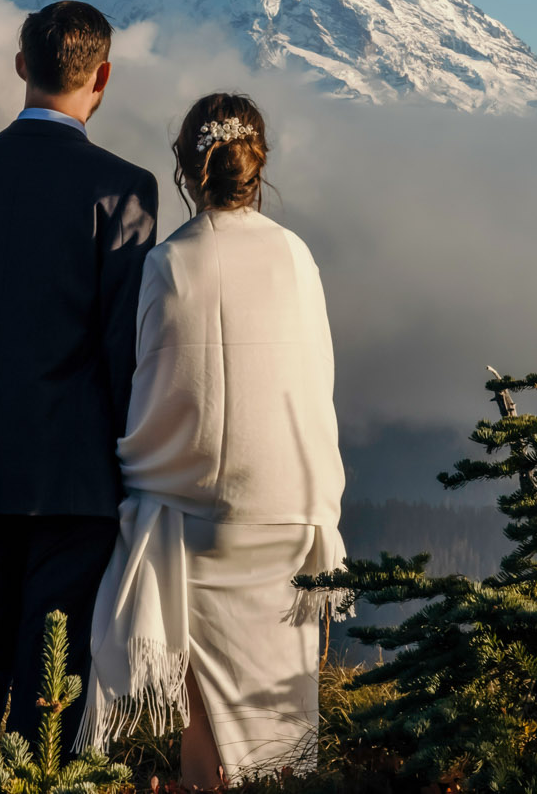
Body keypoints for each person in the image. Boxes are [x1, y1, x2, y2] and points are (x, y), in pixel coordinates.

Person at [0, 0, 159, 763]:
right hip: (76, 472)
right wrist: (124, 455)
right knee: (55, 676)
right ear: (102, 76)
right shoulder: (126, 189)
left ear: (20, 66)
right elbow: (125, 346)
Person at [78, 92, 346, 788]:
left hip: (200, 521)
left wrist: (139, 473)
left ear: (188, 169)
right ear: (258, 165)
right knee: (276, 723)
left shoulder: (170, 263)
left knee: (207, 731)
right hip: (292, 514)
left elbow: (160, 392)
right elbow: (318, 382)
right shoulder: (297, 257)